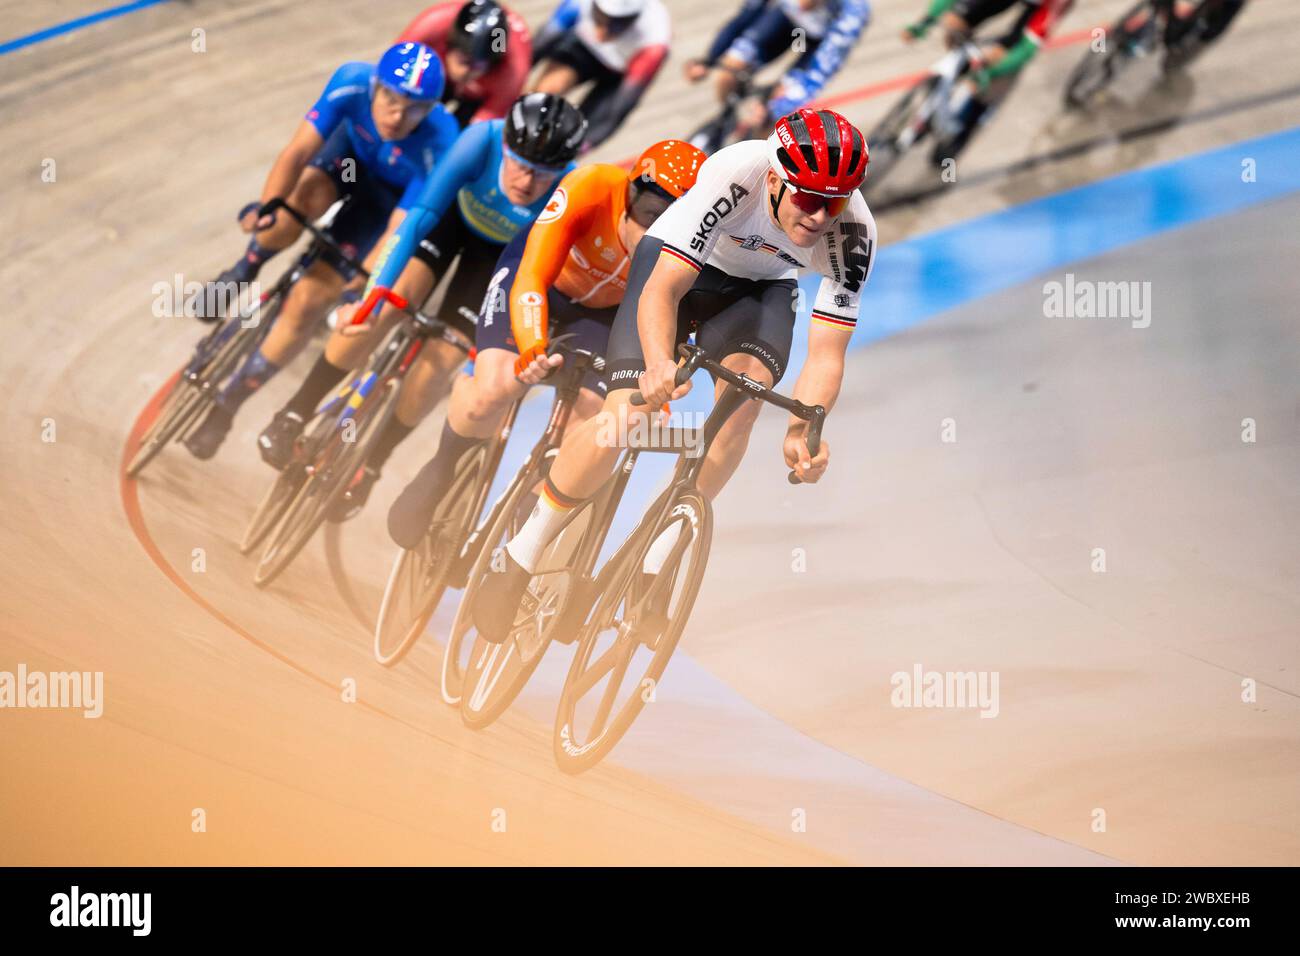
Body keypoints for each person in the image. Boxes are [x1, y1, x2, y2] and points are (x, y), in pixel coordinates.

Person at [469, 108, 877, 642]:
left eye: (835, 202)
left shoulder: (854, 236)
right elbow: (662, 291)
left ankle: (651, 570)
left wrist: (807, 427)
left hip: (759, 292)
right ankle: (523, 551)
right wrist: (659, 363)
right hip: (678, 266)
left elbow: (826, 353)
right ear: (775, 180)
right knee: (624, 418)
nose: (821, 217)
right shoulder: (736, 176)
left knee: (739, 410)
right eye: (807, 198)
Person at [256, 94, 588, 520]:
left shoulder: (569, 189)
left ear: (560, 171)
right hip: (448, 227)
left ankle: (371, 465)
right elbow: (418, 218)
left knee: (441, 361)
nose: (526, 182)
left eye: (543, 174)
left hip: (498, 261)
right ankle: (294, 413)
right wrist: (373, 295)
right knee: (380, 310)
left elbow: (538, 277)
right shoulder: (479, 140)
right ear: (504, 147)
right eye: (520, 164)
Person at [386, 139, 707, 549]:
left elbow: (671, 324)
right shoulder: (590, 185)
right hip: (543, 284)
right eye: (649, 214)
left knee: (594, 417)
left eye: (669, 224)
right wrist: (533, 344)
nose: (652, 234)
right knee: (495, 388)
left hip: (604, 317)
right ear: (629, 193)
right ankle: (442, 468)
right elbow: (532, 277)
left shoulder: (688, 250)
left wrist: (659, 393)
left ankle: (532, 511)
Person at [184, 43, 458, 460]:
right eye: (390, 100)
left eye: (415, 109)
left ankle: (227, 405)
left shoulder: (442, 142)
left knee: (307, 303)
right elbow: (297, 152)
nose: (398, 117)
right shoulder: (350, 82)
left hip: (385, 203)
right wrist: (267, 207)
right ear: (375, 87)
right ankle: (244, 268)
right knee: (294, 206)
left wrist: (361, 282)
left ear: (432, 108)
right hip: (344, 161)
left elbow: (397, 231)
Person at [901, 0, 1074, 161]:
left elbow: (1027, 48)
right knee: (954, 23)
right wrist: (926, 21)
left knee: (997, 71)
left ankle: (968, 122)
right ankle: (933, 105)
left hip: (1027, 19)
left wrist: (993, 71)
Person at [685, 0, 872, 142]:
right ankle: (727, 118)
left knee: (774, 116)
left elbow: (822, 68)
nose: (802, 3)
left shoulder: (853, 12)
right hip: (785, 23)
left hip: (819, 44)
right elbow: (745, 17)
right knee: (728, 72)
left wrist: (777, 106)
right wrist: (709, 60)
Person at [531, 0, 672, 150]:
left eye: (617, 25)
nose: (602, 33)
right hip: (583, 48)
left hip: (619, 73)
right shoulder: (577, 4)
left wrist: (579, 148)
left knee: (579, 133)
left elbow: (619, 109)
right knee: (545, 93)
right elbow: (538, 46)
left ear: (635, 18)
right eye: (599, 18)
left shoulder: (655, 39)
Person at [397, 0, 533, 126]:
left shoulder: (513, 70)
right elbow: (392, 69)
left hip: (485, 91)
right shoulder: (433, 24)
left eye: (475, 66)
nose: (465, 72)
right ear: (448, 45)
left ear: (492, 63)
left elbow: (481, 129)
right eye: (462, 61)